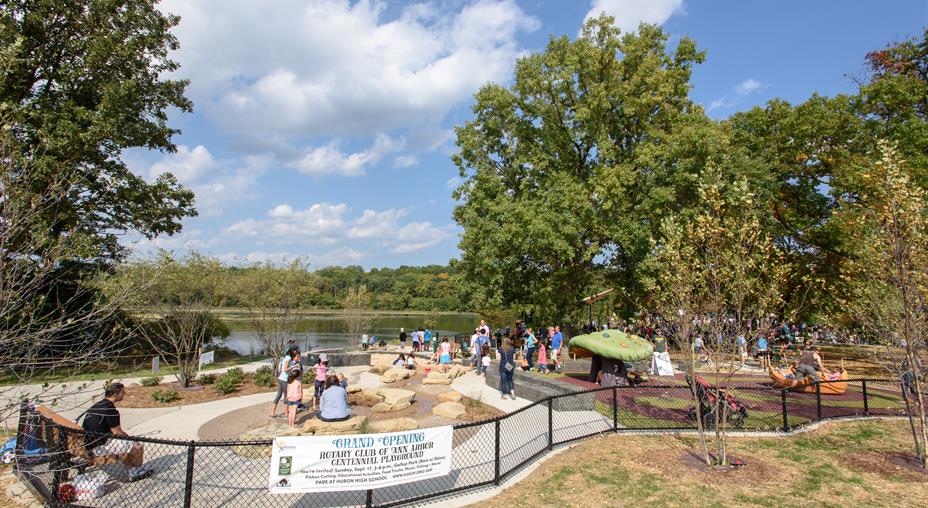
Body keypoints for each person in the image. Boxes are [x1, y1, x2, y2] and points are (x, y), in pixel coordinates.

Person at [82, 383, 152, 482]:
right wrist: (132, 439)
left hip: (90, 443)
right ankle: (136, 470)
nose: (124, 394)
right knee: (137, 446)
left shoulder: (98, 405)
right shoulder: (110, 410)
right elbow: (117, 432)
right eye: (122, 392)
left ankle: (131, 470)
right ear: (115, 394)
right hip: (100, 447)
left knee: (125, 445)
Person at [271, 349, 301, 418]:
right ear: (293, 353)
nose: (298, 357)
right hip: (284, 380)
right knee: (286, 397)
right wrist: (294, 366)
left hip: (281, 379)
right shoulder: (289, 359)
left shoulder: (286, 358)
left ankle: (272, 412)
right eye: (297, 356)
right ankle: (286, 414)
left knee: (278, 395)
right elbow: (285, 369)